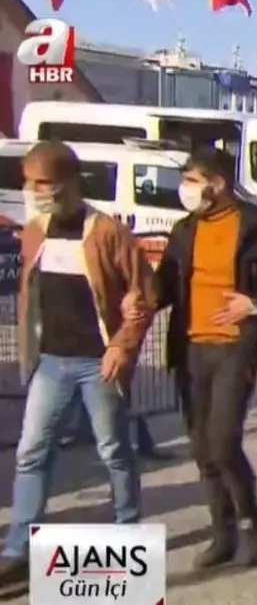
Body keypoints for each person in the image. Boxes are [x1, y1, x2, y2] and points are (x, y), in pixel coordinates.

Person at [134, 147, 257, 569]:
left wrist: (253, 303)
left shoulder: (256, 227)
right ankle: (222, 533)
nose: (187, 189)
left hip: (235, 347)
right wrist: (142, 299)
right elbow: (164, 289)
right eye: (187, 181)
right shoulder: (184, 231)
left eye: (194, 180)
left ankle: (253, 522)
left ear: (218, 183)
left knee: (223, 440)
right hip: (191, 349)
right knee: (201, 447)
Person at [0, 142, 158, 580]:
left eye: (43, 183)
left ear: (69, 183)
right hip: (50, 362)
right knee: (31, 452)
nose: (34, 191)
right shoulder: (35, 231)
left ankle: (127, 532)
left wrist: (122, 345)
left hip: (97, 364)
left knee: (113, 451)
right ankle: (18, 550)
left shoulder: (106, 232)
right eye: (29, 182)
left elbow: (145, 293)